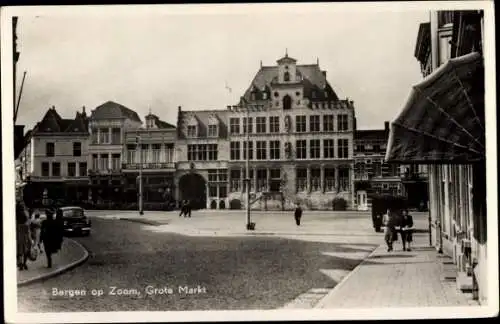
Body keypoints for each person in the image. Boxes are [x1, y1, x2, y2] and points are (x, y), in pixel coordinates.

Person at [16, 203, 31, 270]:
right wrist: (31, 240)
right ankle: (24, 264)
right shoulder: (26, 225)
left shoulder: (16, 223)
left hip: (19, 239)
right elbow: (28, 233)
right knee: (25, 252)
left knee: (20, 252)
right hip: (25, 239)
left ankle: (21, 264)